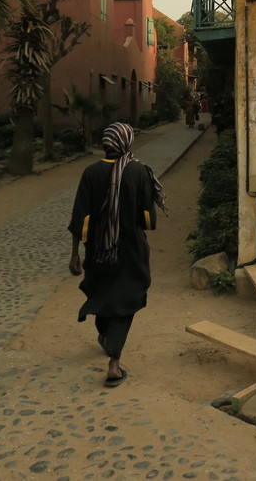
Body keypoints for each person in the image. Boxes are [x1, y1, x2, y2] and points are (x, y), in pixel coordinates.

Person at [68, 122, 167, 387]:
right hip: (130, 249)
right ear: (127, 143)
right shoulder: (138, 171)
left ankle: (105, 335)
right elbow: (148, 219)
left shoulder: (90, 173)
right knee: (127, 298)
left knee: (102, 293)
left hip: (98, 250)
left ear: (106, 143)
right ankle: (114, 362)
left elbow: (81, 218)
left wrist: (74, 254)